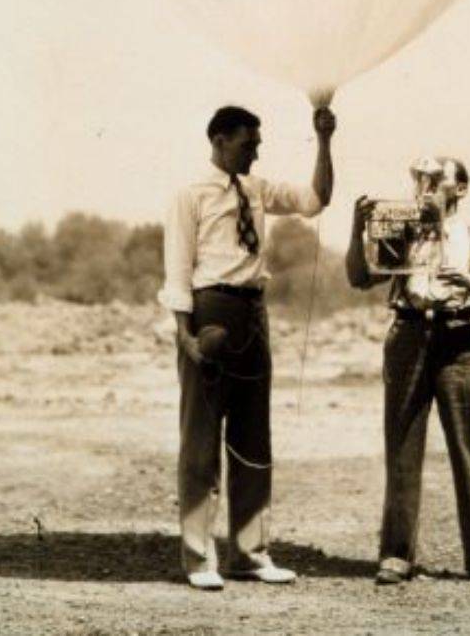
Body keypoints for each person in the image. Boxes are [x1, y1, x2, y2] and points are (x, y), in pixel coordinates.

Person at [160, 103, 336, 589]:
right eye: (247, 144)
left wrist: (324, 140)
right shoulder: (189, 194)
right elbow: (176, 269)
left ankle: (250, 554)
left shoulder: (257, 190)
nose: (255, 153)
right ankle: (199, 559)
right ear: (219, 140)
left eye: (258, 145)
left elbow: (316, 198)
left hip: (253, 313)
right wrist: (186, 336)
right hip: (208, 312)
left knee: (254, 439)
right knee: (200, 441)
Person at [345, 155, 470, 585]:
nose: (425, 185)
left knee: (468, 449)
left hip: (460, 340)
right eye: (419, 178)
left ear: (459, 189)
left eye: (436, 179)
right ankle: (396, 555)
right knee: (402, 445)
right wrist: (356, 228)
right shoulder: (402, 233)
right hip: (408, 334)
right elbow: (360, 278)